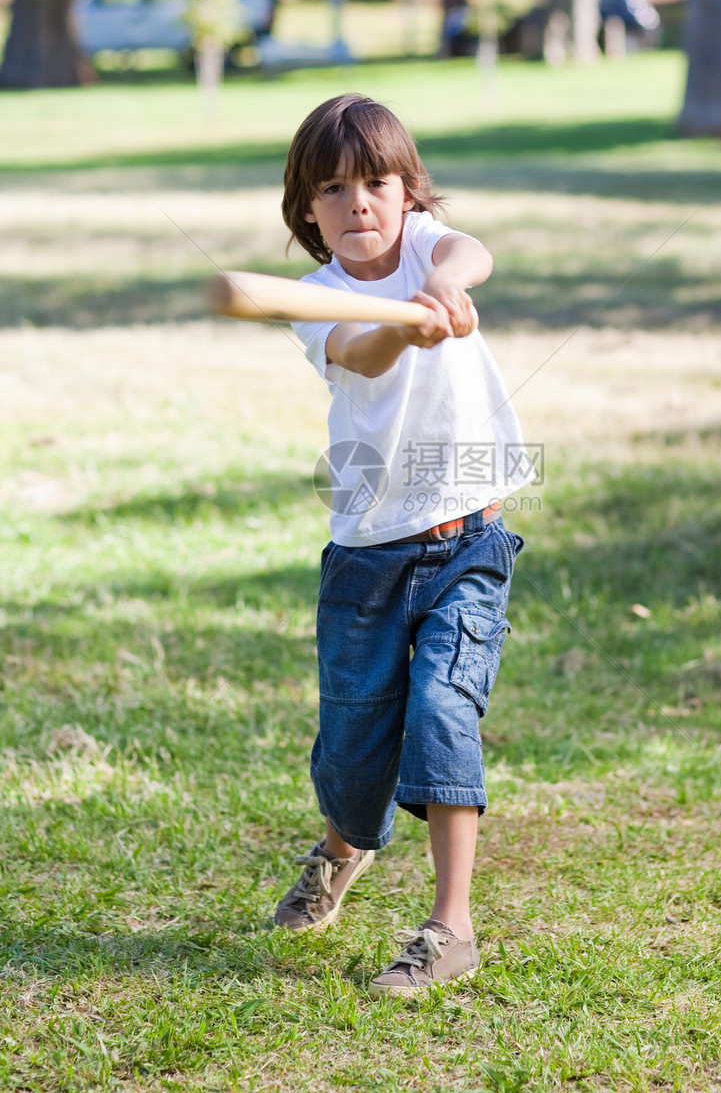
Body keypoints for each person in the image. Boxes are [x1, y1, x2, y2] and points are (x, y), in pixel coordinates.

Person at [273, 93, 533, 998]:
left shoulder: (428, 246)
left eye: (376, 183)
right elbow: (364, 353)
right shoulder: (312, 298)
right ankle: (345, 846)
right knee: (351, 751)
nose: (357, 204)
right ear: (306, 208)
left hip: (469, 538)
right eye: (332, 189)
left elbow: (472, 250)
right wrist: (403, 324)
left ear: (408, 192)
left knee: (441, 713)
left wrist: (446, 289)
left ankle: (449, 926)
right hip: (368, 556)